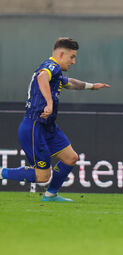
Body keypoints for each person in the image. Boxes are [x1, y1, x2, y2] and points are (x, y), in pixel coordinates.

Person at [0, 37, 110, 202]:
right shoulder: (51, 66)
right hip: (34, 126)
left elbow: (70, 83)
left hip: (48, 127)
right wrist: (49, 102)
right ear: (60, 54)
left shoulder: (56, 73)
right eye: (71, 57)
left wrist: (91, 86)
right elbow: (42, 77)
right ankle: (2, 172)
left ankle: (51, 195)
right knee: (42, 176)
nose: (73, 61)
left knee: (71, 158)